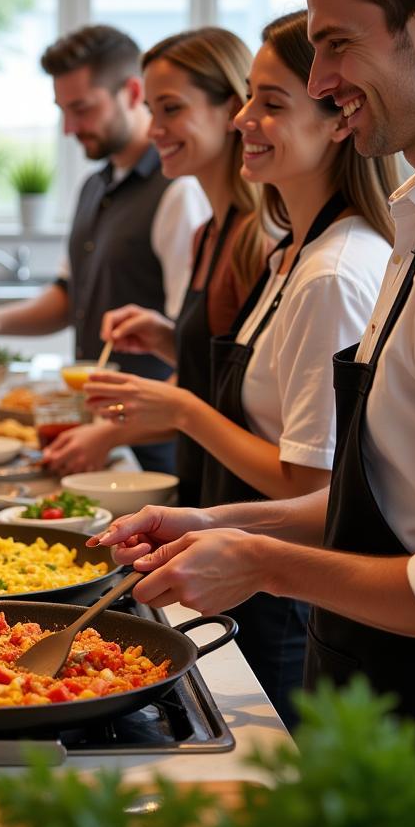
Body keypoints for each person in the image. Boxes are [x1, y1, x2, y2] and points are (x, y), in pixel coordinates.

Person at [88, 0, 415, 721]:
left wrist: (259, 561)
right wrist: (210, 520)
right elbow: (384, 500)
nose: (324, 79)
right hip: (361, 684)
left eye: (336, 44)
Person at [84, 9, 397, 728]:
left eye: (270, 103)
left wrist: (186, 413)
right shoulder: (291, 253)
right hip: (246, 573)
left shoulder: (334, 272)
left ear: (338, 120)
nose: (243, 119)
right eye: (248, 98)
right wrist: (205, 520)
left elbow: (317, 484)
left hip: (284, 602)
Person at [0, 25, 210, 475]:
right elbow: (68, 297)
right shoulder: (93, 186)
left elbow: (191, 346)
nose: (70, 128)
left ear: (132, 92)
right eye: (63, 110)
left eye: (82, 109)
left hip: (154, 455)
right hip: (99, 439)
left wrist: (112, 434)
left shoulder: (179, 192)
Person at [98, 27, 269, 509]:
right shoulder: (210, 232)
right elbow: (232, 374)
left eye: (172, 108)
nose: (153, 129)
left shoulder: (260, 240)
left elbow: (261, 408)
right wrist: (167, 340)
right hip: (205, 492)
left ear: (234, 110)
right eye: (151, 110)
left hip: (244, 511)